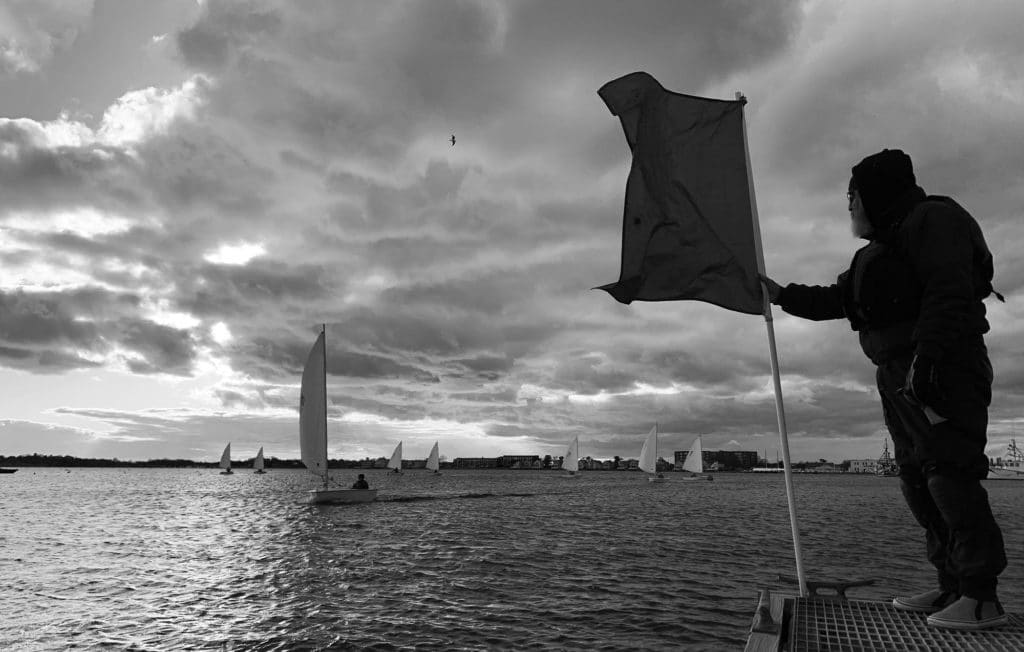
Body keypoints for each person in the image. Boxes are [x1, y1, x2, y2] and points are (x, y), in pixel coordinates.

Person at [760, 148, 1007, 631]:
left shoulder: (932, 221)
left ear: (874, 194)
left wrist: (929, 361)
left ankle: (982, 597)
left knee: (949, 475)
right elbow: (838, 300)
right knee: (917, 479)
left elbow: (948, 290)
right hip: (898, 375)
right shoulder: (880, 249)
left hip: (942, 368)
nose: (848, 205)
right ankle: (952, 584)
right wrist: (780, 294)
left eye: (852, 195)